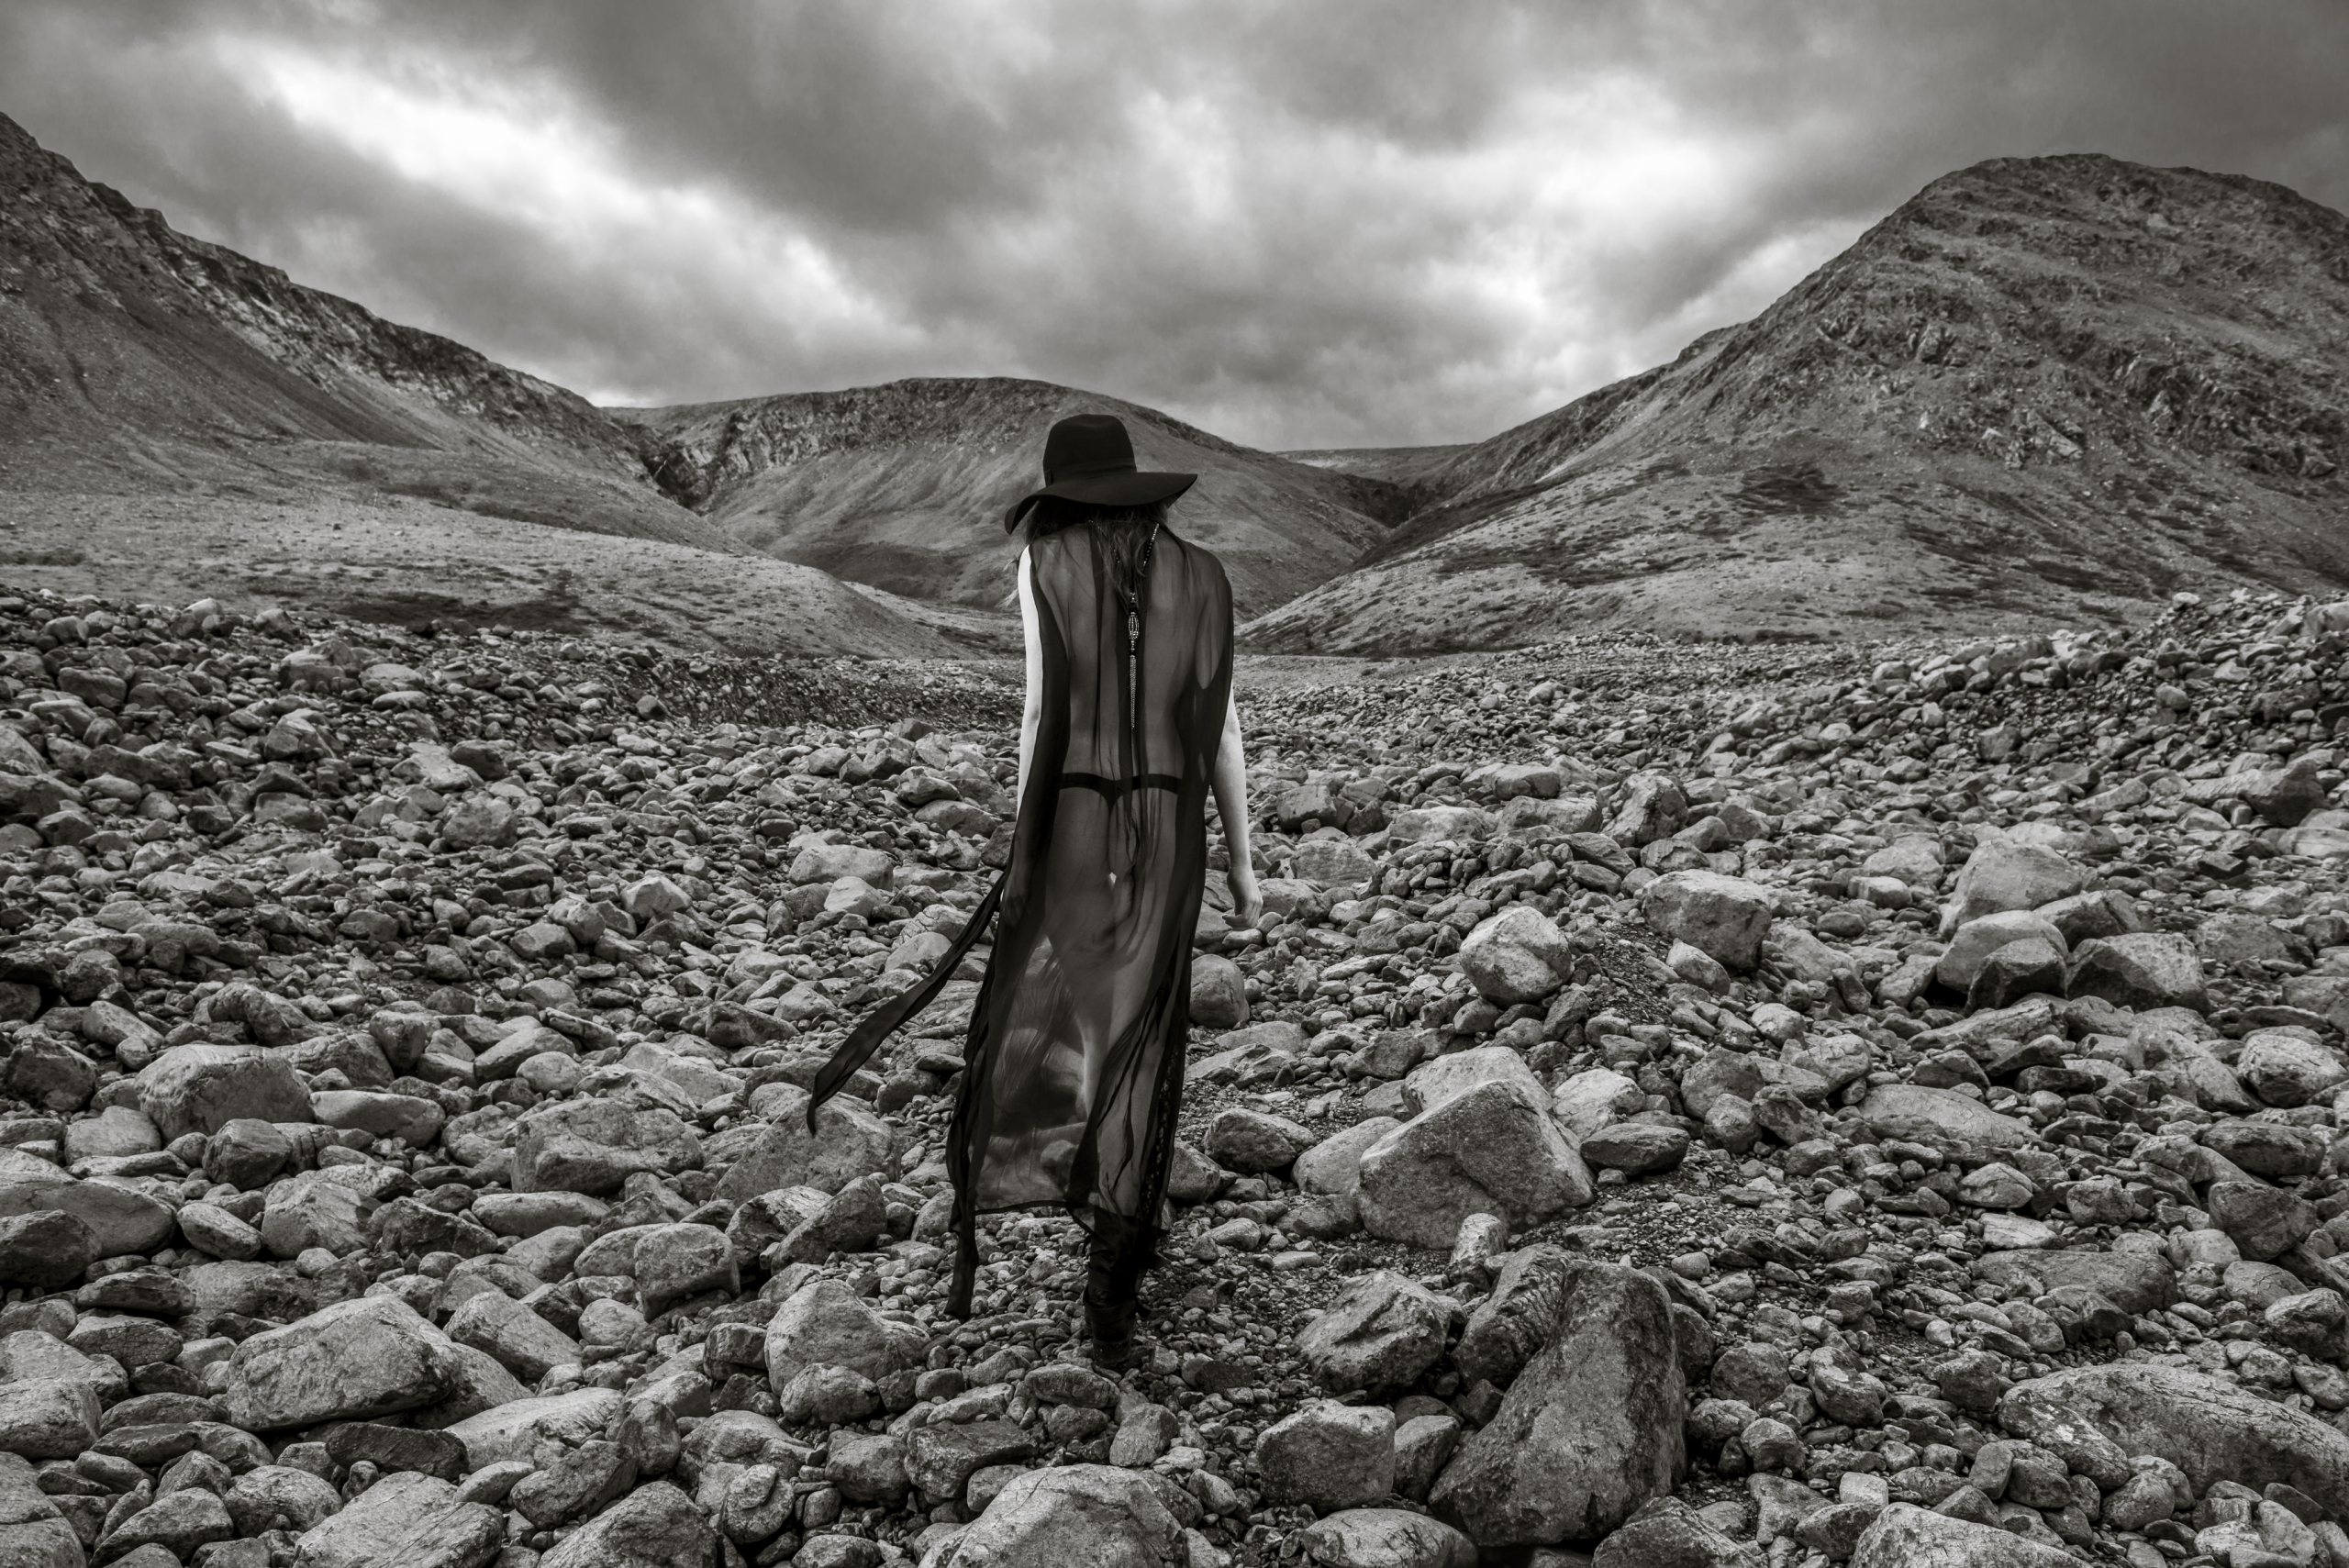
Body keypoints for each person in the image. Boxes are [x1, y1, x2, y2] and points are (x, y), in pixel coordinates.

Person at [806, 412, 1262, 1370]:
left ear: (1058, 495)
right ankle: (1119, 1251)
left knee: (1098, 1020)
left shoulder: (1043, 563)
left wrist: (1024, 843)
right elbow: (1216, 726)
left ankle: (1110, 1217)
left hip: (1078, 818)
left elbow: (1041, 707)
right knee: (1148, 1025)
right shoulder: (1203, 577)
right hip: (1172, 824)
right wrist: (1241, 859)